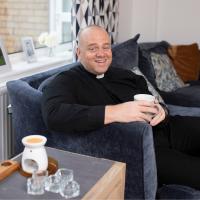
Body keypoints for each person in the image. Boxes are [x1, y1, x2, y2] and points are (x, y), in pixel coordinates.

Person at [41, 25, 200, 191]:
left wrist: (161, 110)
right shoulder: (65, 81)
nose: (101, 54)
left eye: (105, 47)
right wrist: (115, 112)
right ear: (78, 52)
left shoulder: (125, 75)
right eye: (92, 48)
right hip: (143, 149)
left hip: (168, 128)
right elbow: (53, 114)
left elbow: (151, 100)